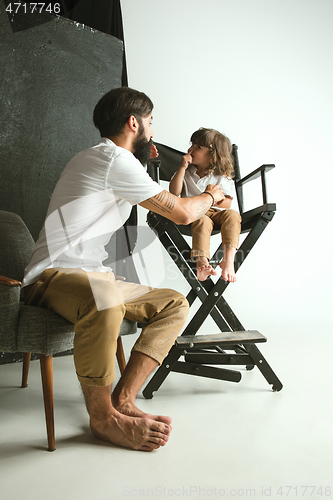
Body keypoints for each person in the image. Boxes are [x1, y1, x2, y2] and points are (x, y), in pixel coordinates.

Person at [22, 87, 224, 452]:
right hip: (52, 275)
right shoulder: (113, 160)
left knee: (174, 303)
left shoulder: (115, 161)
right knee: (106, 300)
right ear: (134, 122)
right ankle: (103, 418)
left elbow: (152, 197)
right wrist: (213, 196)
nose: (152, 131)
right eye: (149, 122)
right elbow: (181, 213)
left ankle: (124, 400)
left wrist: (146, 163)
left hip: (93, 275)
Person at [169, 128, 242, 282]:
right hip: (194, 214)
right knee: (202, 220)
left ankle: (228, 259)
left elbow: (228, 203)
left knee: (233, 215)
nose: (191, 149)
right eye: (192, 144)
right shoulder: (187, 172)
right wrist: (182, 168)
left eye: (198, 147)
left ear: (213, 156)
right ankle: (202, 264)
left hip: (216, 213)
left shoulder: (221, 175)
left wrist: (214, 199)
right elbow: (174, 192)